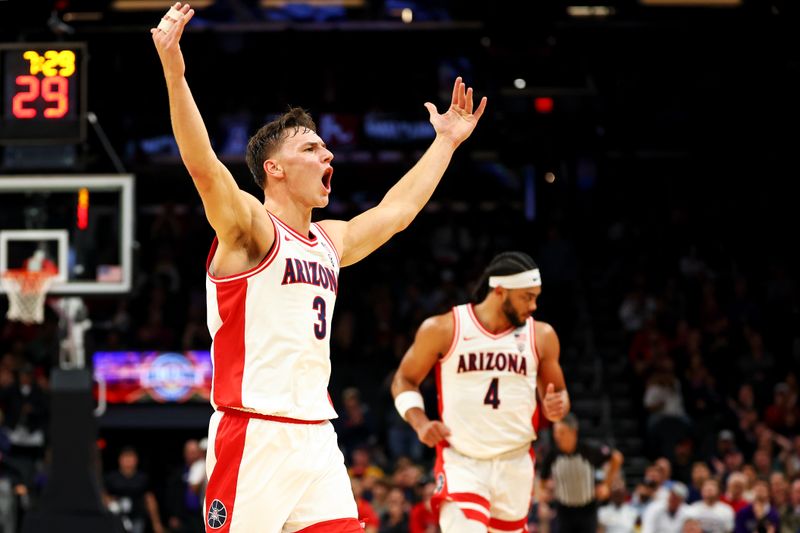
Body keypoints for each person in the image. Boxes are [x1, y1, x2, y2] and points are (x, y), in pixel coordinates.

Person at [151, 3, 487, 532]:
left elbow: (396, 213)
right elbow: (204, 168)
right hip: (254, 434)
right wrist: (175, 70)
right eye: (312, 147)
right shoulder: (251, 228)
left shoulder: (330, 241)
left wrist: (445, 142)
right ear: (274, 168)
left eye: (327, 147)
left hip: (315, 435)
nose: (328, 155)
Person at [391, 251, 570, 532]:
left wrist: (558, 405)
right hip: (462, 459)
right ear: (500, 291)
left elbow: (559, 393)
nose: (534, 306)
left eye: (536, 296)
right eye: (527, 296)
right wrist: (420, 422)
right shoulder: (444, 328)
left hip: (515, 462)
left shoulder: (542, 336)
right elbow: (403, 379)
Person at [539, 413, 624, 533]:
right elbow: (542, 479)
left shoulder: (589, 449)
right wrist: (544, 494)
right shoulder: (552, 454)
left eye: (562, 432)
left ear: (573, 432)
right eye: (555, 432)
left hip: (587, 509)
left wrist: (606, 485)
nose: (557, 436)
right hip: (563, 510)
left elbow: (616, 457)